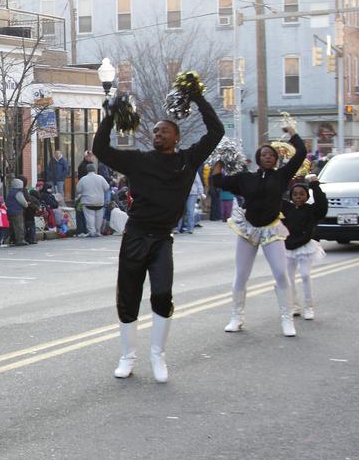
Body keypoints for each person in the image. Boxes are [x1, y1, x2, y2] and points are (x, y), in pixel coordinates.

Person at [93, 90, 223, 382]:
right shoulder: (139, 160)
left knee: (163, 294)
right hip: (135, 235)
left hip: (162, 238)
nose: (158, 134)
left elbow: (217, 131)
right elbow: (101, 148)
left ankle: (157, 354)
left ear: (176, 137)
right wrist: (110, 116)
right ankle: (127, 357)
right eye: (154, 131)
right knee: (128, 296)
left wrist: (198, 98)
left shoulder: (188, 160)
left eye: (164, 131)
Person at [212, 129, 307, 336]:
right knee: (241, 276)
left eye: (271, 155)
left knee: (281, 274)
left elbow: (300, 154)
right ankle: (236, 317)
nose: (267, 157)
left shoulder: (282, 176)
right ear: (258, 158)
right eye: (264, 154)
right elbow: (218, 181)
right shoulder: (246, 178)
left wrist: (293, 134)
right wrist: (219, 157)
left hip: (271, 228)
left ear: (275, 160)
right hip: (248, 229)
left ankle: (287, 319)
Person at [282, 177, 327, 321]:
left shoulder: (311, 210)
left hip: (305, 247)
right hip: (288, 247)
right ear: (291, 196)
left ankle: (309, 307)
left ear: (307, 196)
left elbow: (322, 206)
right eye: (295, 194)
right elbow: (272, 198)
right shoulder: (286, 208)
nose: (298, 197)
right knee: (288, 278)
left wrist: (315, 186)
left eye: (302, 194)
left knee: (305, 275)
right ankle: (294, 306)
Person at [76, 164, 110, 237]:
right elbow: (107, 187)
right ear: (95, 170)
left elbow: (78, 190)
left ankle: (92, 231)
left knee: (90, 217)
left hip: (87, 202)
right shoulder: (101, 178)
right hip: (99, 201)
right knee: (99, 217)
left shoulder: (83, 179)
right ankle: (98, 231)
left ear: (87, 170)